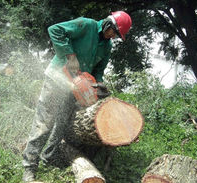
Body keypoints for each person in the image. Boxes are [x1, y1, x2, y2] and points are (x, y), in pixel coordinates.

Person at [22, 11, 132, 182]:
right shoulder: (86, 25)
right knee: (44, 123)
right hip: (56, 79)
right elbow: (54, 30)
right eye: (114, 32)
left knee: (62, 124)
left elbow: (98, 72)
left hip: (75, 89)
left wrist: (99, 85)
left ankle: (48, 157)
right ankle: (29, 169)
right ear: (109, 24)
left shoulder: (107, 46)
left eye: (117, 36)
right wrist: (69, 54)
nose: (113, 37)